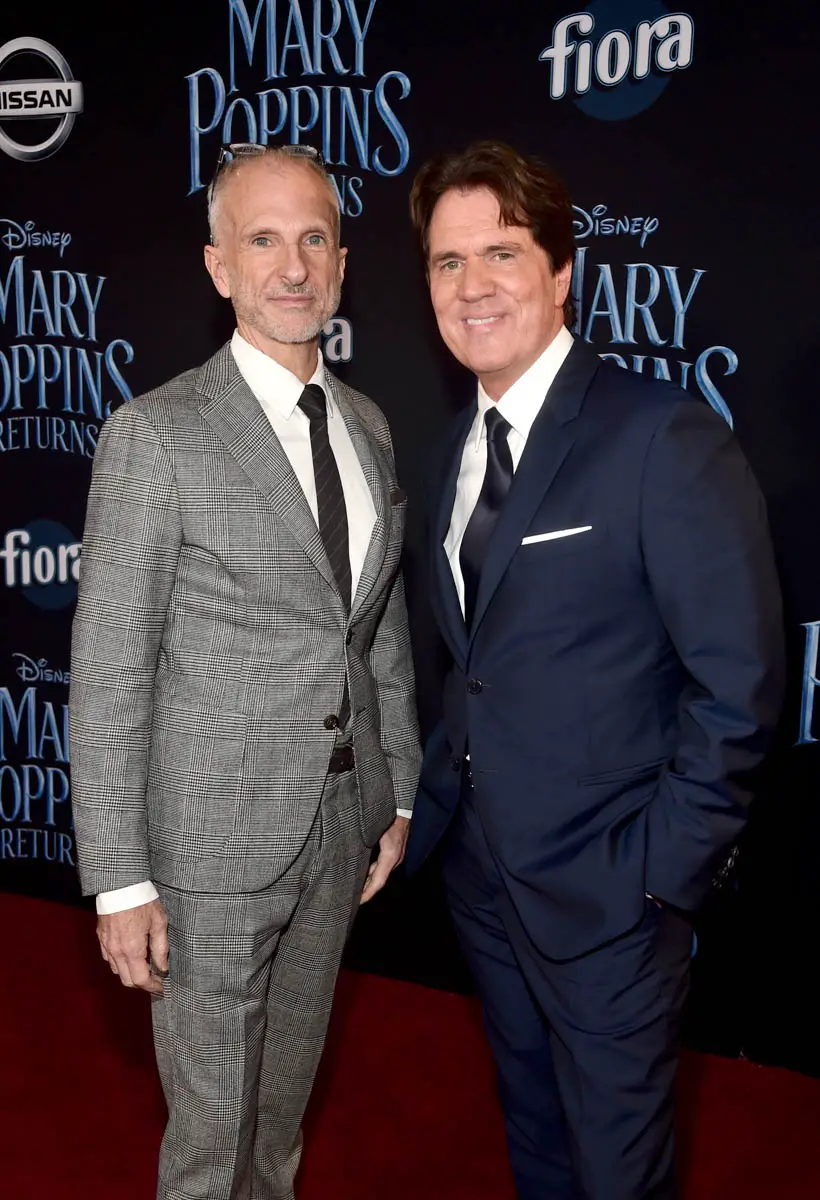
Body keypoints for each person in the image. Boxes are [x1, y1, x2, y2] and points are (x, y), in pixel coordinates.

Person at [403, 140, 785, 1199]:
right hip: (482, 885)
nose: (473, 286)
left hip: (614, 897)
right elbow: (474, 669)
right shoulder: (449, 452)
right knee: (535, 1140)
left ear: (563, 271)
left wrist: (659, 874)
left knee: (619, 1174)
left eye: (502, 253)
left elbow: (739, 685)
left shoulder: (661, 437)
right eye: (447, 261)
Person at [69, 143, 421, 1200]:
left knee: (276, 1126)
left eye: (314, 238)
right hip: (208, 851)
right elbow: (110, 669)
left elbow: (379, 630)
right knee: (209, 1144)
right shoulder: (156, 434)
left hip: (341, 829)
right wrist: (120, 879)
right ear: (219, 266)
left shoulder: (368, 426)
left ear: (343, 262)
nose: (293, 266)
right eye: (263, 240)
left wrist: (397, 791)